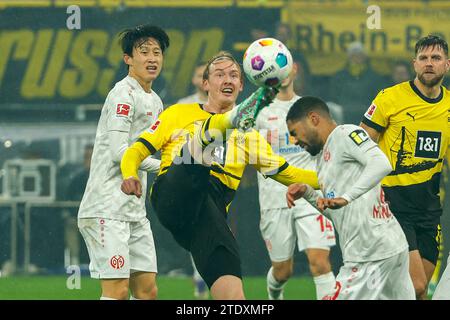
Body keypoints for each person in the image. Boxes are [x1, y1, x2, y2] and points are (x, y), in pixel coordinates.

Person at [120, 51, 320, 300]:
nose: (228, 79)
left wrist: (332, 179)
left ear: (241, 85)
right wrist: (129, 174)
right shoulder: (177, 114)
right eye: (220, 74)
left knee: (234, 298)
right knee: (197, 152)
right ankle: (222, 125)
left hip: (207, 214)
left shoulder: (249, 137)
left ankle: (223, 126)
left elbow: (289, 173)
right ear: (206, 84)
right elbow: (136, 151)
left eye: (234, 75)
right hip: (174, 190)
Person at [285, 96, 415, 300]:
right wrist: (309, 194)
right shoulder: (322, 159)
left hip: (369, 255)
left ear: (313, 119)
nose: (294, 140)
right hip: (389, 247)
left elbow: (382, 164)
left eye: (294, 132)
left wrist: (346, 197)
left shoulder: (345, 134)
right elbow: (339, 213)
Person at [77, 24, 169, 300]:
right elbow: (121, 154)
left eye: (157, 52)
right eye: (144, 52)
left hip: (133, 211)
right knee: (116, 293)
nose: (152, 58)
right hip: (106, 207)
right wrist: (167, 166)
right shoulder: (122, 95)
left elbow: (159, 150)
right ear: (127, 58)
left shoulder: (155, 101)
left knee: (147, 291)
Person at [360, 35, 450, 299]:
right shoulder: (390, 98)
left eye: (435, 58)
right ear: (414, 64)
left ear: (447, 64)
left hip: (428, 208)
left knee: (416, 291)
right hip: (392, 204)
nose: (429, 64)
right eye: (423, 58)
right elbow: (360, 146)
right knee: (417, 285)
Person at [254, 60, 336, 300]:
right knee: (282, 270)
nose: (282, 72)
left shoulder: (308, 109)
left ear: (295, 69)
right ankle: (274, 293)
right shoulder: (258, 113)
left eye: (285, 65)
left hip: (310, 193)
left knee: (319, 262)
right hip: (273, 196)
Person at [176, 61, 209, 299]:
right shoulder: (182, 106)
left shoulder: (226, 105)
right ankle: (200, 276)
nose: (204, 78)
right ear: (195, 79)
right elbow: (175, 143)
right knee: (196, 230)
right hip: (189, 175)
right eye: (200, 74)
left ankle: (208, 275)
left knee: (219, 229)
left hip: (218, 175)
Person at [329, 41, 385, 125]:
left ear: (365, 57)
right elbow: (333, 96)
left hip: (367, 115)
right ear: (349, 57)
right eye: (354, 55)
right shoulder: (339, 77)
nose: (357, 58)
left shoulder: (374, 77)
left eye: (360, 55)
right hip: (343, 116)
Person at [64, 144, 94, 266]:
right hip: (79, 218)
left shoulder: (107, 178)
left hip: (101, 219)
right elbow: (67, 201)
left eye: (90, 157)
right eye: (86, 157)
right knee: (71, 224)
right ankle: (74, 263)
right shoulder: (76, 179)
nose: (88, 160)